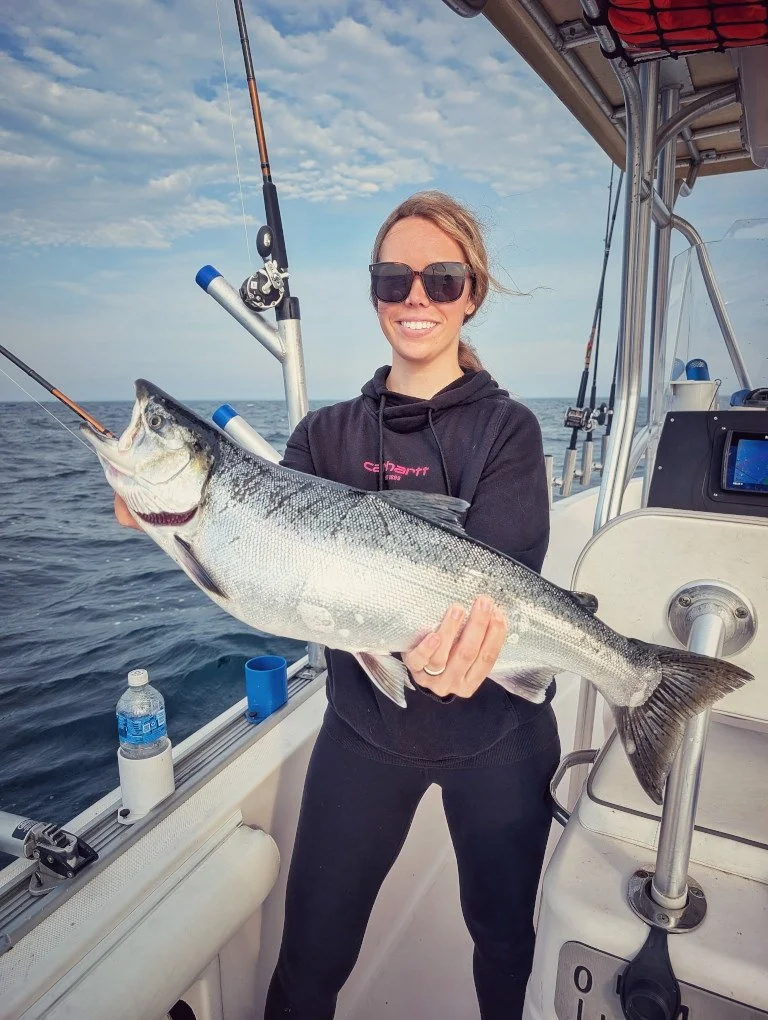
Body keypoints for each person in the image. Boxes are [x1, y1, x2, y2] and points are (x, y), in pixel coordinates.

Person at [115, 191, 558, 1019]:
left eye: (441, 278)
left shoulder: (510, 432)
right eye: (394, 279)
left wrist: (459, 652)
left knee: (504, 944)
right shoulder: (322, 437)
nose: (415, 297)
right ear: (373, 293)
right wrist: (162, 518)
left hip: (499, 737)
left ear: (473, 292)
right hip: (364, 732)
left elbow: (501, 587)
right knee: (308, 961)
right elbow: (262, 573)